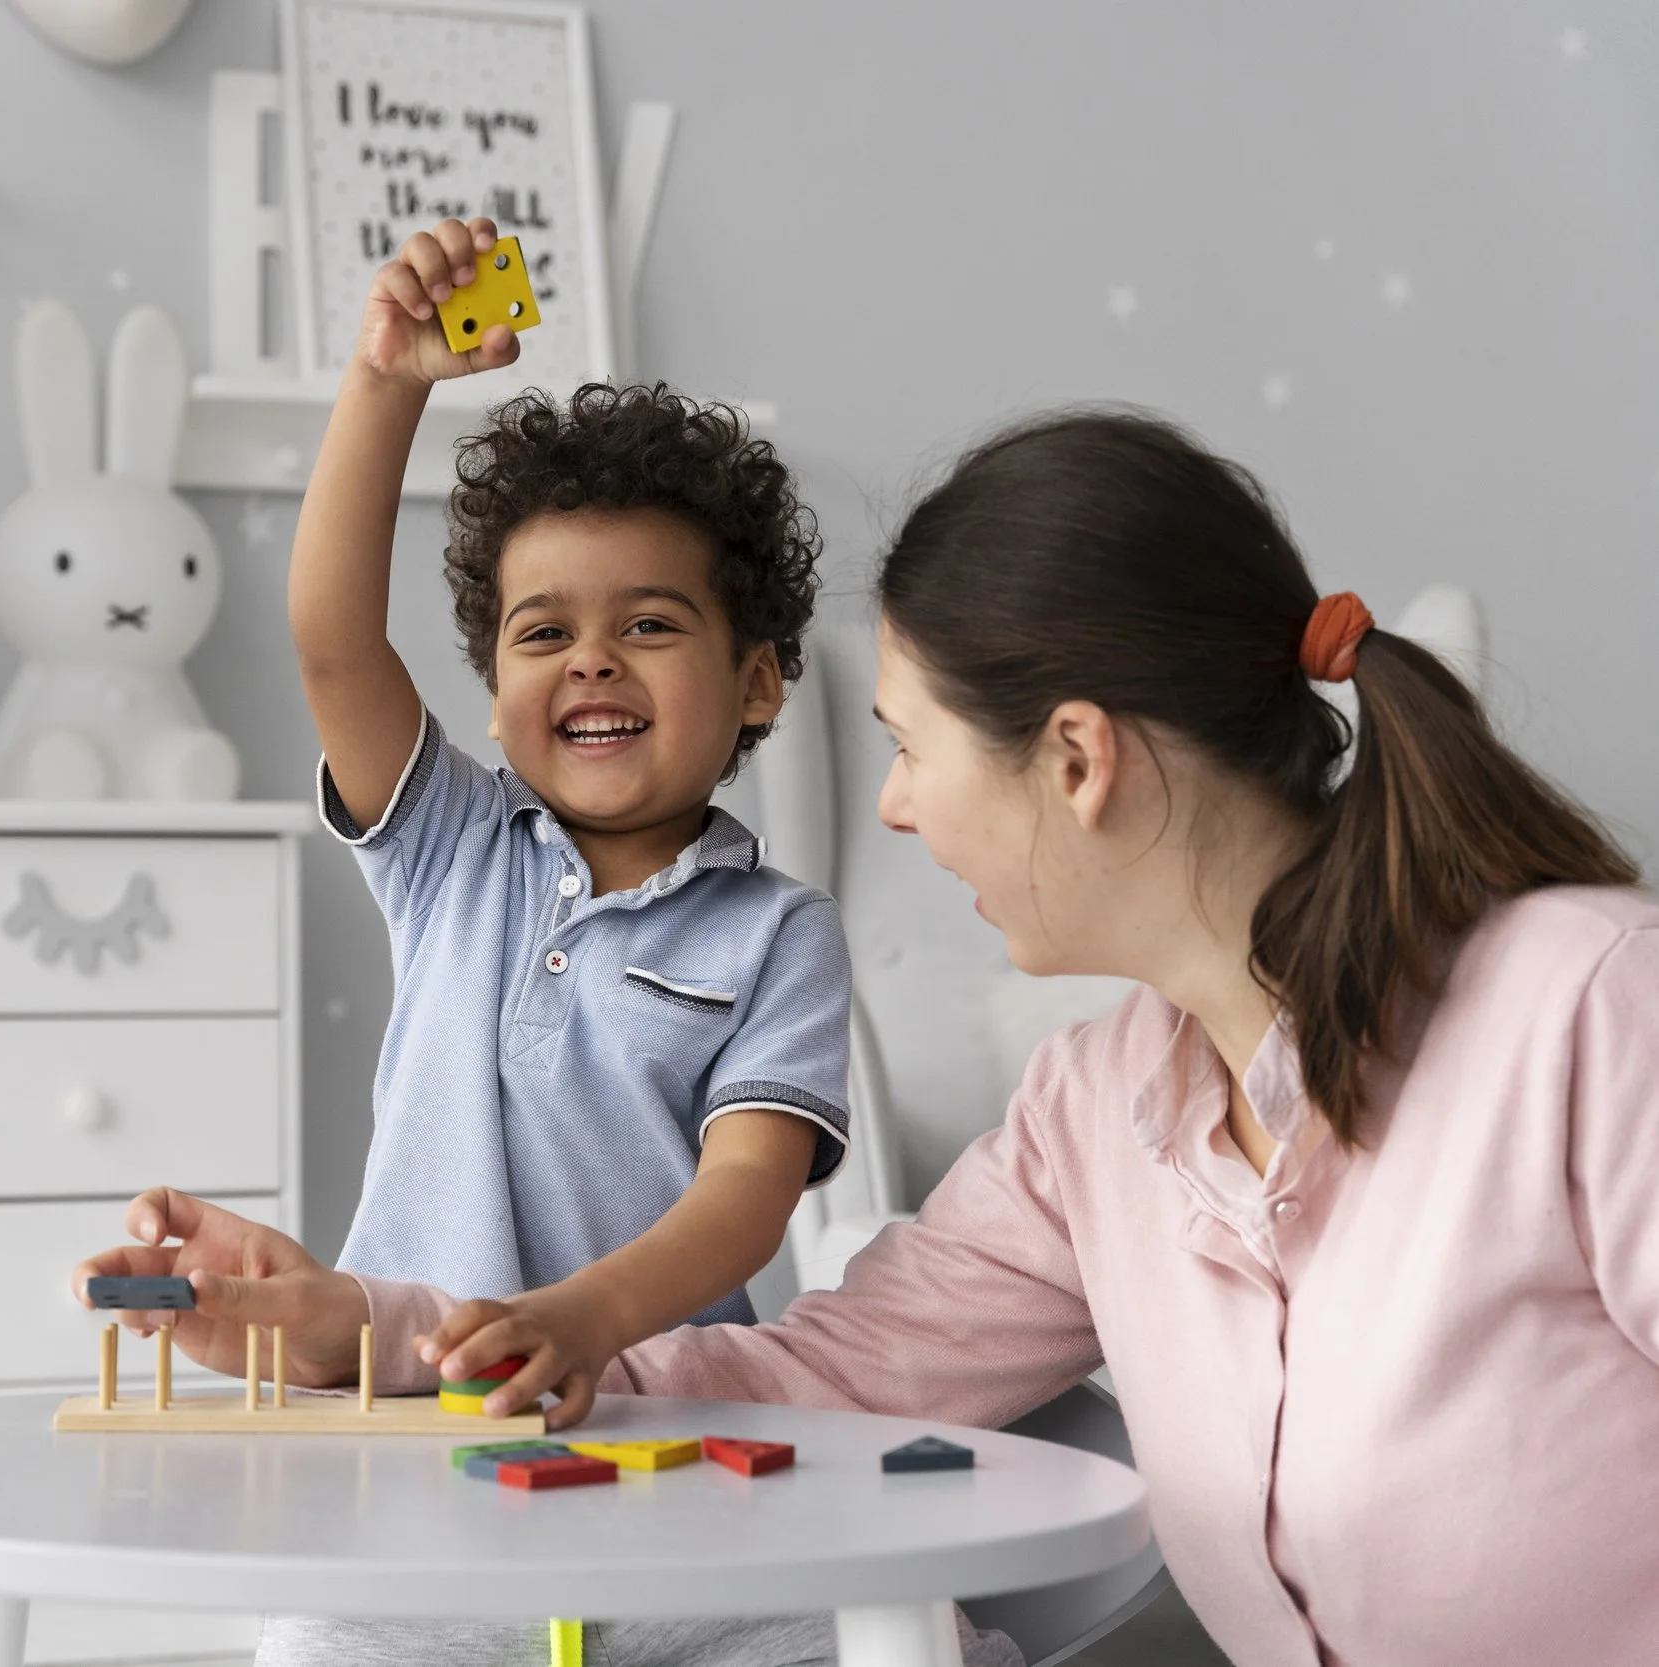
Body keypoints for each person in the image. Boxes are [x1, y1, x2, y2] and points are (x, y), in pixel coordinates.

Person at [80, 409, 1656, 1667]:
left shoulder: (1589, 1009)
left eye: (907, 744)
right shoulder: (1093, 1113)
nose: (892, 803)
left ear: (1077, 759)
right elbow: (807, 1371)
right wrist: (360, 1323)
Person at [283, 213, 852, 1384]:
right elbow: (333, 640)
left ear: (755, 682)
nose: (590, 659)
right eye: (543, 633)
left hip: (652, 1406)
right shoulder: (453, 847)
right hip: (405, 1390)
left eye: (647, 623)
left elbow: (748, 1194)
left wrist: (583, 1319)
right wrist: (384, 384)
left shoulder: (781, 932)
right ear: (493, 697)